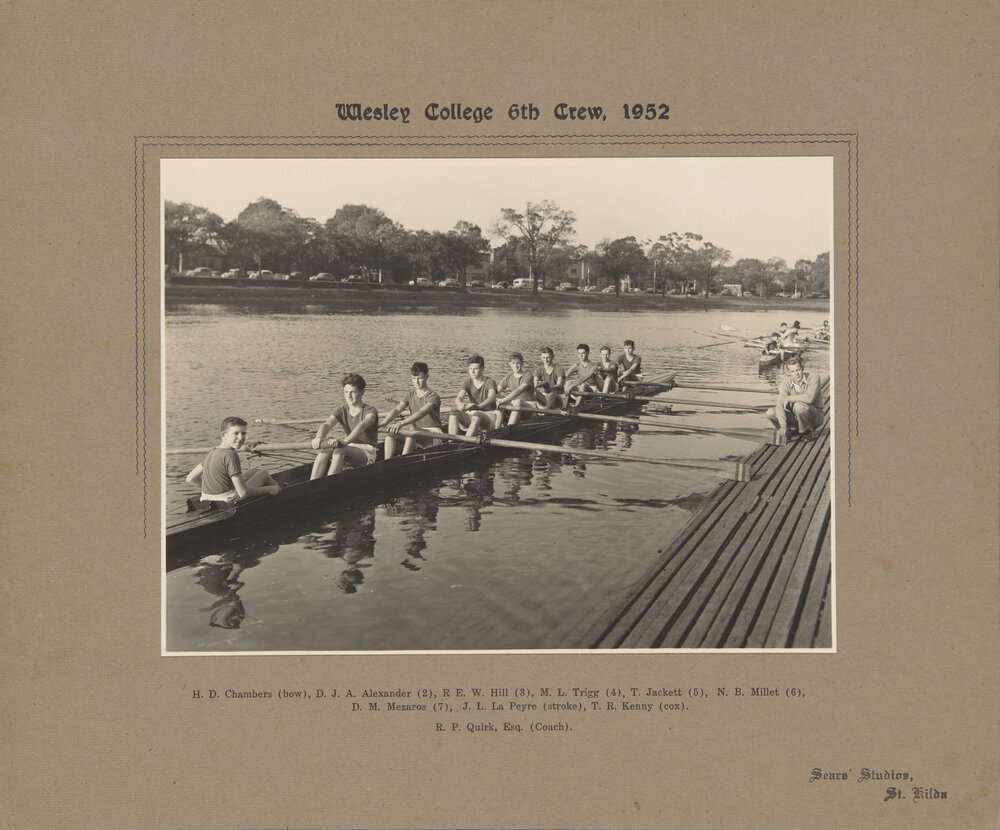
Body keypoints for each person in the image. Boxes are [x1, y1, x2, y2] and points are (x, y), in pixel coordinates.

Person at [186, 416, 280, 503]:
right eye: (236, 433)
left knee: (254, 471)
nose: (241, 438)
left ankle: (274, 487)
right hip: (227, 500)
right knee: (264, 473)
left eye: (243, 433)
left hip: (206, 498)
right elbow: (243, 493)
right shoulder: (230, 454)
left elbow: (190, 479)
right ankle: (277, 489)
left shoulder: (213, 451)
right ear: (223, 435)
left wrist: (213, 490)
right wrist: (269, 489)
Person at [310, 373, 379, 479]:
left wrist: (345, 441)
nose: (348, 396)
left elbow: (361, 426)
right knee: (326, 449)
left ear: (362, 392)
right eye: (346, 392)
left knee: (339, 449)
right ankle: (313, 482)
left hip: (367, 452)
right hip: (348, 446)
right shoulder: (341, 410)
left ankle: (329, 484)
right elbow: (327, 424)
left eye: (353, 392)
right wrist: (318, 437)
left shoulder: (370, 411)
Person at [383, 362, 443, 458]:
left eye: (420, 378)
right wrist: (384, 422)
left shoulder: (433, 396)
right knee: (390, 433)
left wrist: (400, 423)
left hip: (434, 436)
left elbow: (421, 413)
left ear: (427, 377)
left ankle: (404, 461)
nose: (417, 382)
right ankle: (387, 462)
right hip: (416, 433)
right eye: (414, 379)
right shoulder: (410, 395)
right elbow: (397, 409)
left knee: (411, 431)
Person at [765, 354, 824, 439]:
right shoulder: (785, 384)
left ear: (803, 368)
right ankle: (787, 430)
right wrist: (783, 425)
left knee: (798, 406)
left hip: (814, 417)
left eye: (798, 370)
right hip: (797, 415)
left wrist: (789, 398)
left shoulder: (814, 377)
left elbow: (809, 398)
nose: (796, 374)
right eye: (793, 371)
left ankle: (807, 432)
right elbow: (780, 405)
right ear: (788, 373)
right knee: (770, 413)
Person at [448, 354, 499, 437]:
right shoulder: (467, 382)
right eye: (470, 369)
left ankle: (466, 442)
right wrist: (460, 404)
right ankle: (451, 441)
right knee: (454, 412)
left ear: (482, 369)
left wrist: (479, 406)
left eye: (475, 369)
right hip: (474, 413)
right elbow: (459, 397)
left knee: (477, 416)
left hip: (489, 415)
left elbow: (492, 397)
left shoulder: (490, 381)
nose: (472, 372)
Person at [496, 352, 535, 425]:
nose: (515, 366)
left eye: (518, 363)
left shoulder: (528, 375)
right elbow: (496, 390)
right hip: (516, 407)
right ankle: (496, 429)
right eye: (513, 363)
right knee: (498, 403)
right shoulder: (508, 377)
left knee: (517, 402)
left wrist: (503, 400)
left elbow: (518, 390)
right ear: (510, 364)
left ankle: (509, 429)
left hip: (530, 408)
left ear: (522, 363)